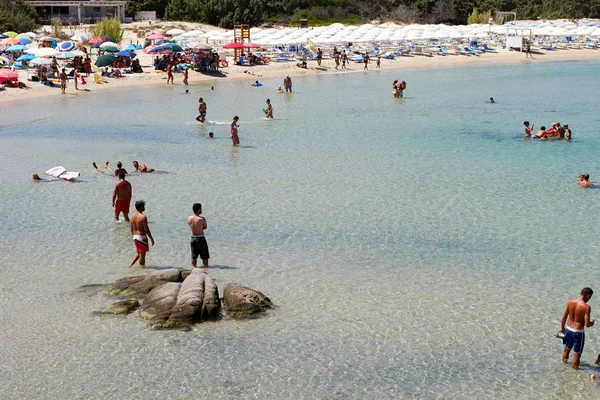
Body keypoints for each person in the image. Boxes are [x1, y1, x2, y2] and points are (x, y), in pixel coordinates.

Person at [560, 287, 594, 370]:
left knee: (567, 349)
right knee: (577, 354)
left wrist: (562, 328)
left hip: (568, 329)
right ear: (588, 296)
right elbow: (587, 324)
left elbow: (564, 316)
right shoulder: (586, 307)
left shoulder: (570, 301)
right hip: (578, 332)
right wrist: (592, 322)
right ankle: (574, 372)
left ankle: (563, 366)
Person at [129, 200, 154, 267]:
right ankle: (142, 269)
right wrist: (151, 239)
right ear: (140, 207)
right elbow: (146, 230)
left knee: (139, 253)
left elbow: (131, 229)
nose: (144, 207)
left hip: (135, 237)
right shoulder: (143, 217)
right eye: (143, 206)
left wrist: (134, 237)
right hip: (141, 238)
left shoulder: (132, 217)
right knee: (142, 256)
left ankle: (130, 265)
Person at [188, 203, 210, 268]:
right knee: (205, 257)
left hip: (193, 238)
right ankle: (206, 270)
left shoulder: (189, 218)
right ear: (198, 209)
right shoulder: (201, 219)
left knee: (194, 256)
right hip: (200, 238)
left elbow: (190, 225)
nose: (201, 210)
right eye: (201, 208)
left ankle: (193, 270)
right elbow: (205, 227)